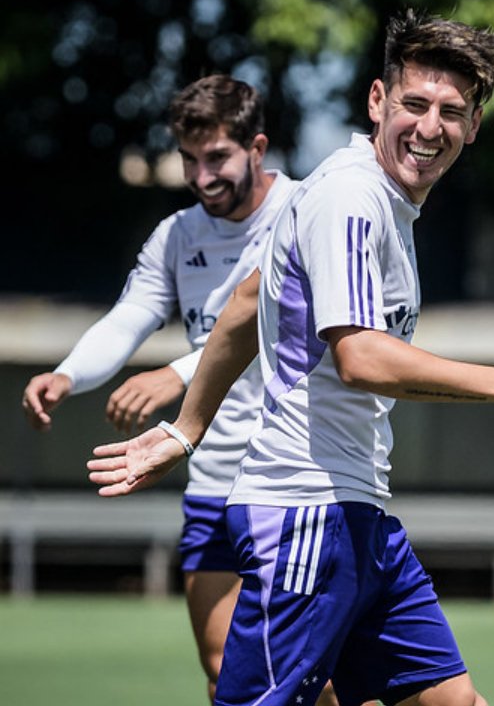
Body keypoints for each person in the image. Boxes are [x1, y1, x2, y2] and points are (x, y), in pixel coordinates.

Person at [87, 9, 494, 706]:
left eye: (451, 111)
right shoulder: (351, 197)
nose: (430, 127)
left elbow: (243, 306)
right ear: (378, 102)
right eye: (414, 104)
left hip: (358, 517)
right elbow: (362, 359)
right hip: (304, 516)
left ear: (474, 126)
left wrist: (183, 429)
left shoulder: (370, 199)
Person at [16, 74, 337, 705]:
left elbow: (283, 328)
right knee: (224, 671)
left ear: (257, 146)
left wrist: (177, 373)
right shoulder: (177, 235)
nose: (201, 176)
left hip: (296, 481)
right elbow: (132, 313)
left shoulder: (307, 214)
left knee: (310, 680)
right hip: (211, 482)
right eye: (190, 161)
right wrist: (68, 372)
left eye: (216, 158)